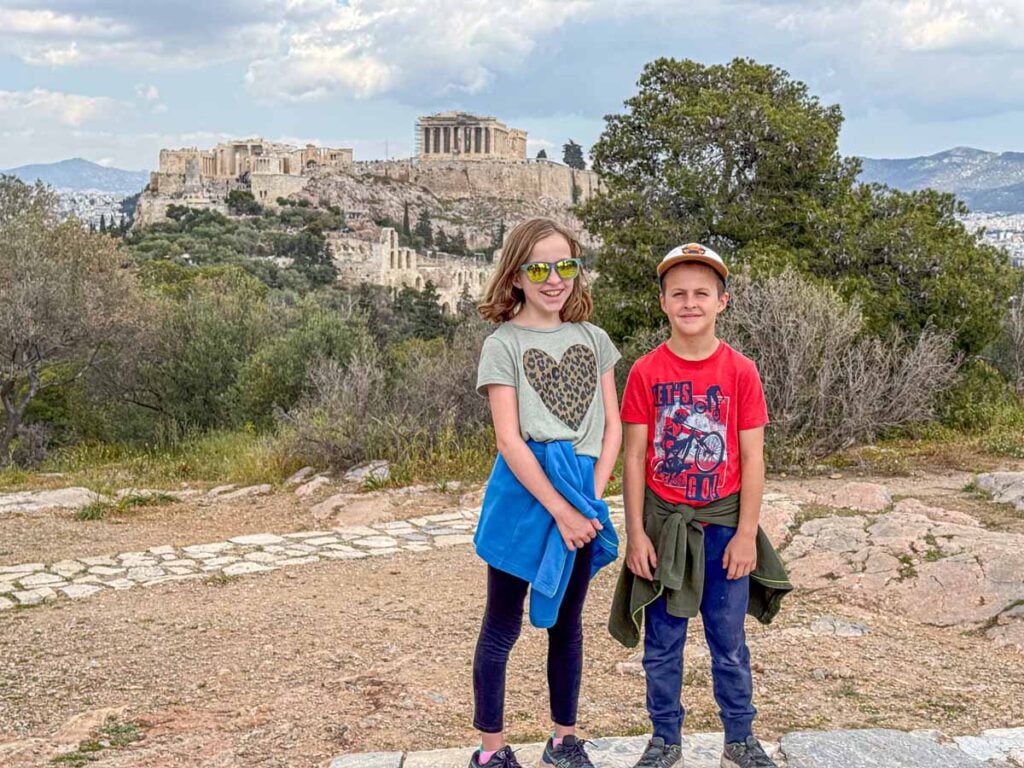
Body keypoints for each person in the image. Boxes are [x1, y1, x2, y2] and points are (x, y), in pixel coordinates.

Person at [608, 243, 793, 768]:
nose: (691, 303)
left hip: (722, 528)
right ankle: (665, 738)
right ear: (664, 303)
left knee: (727, 641)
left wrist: (745, 534)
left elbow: (753, 459)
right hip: (666, 529)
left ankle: (740, 737)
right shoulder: (645, 371)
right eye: (679, 294)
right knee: (663, 642)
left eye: (702, 294)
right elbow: (636, 456)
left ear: (722, 302)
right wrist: (637, 534)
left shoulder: (741, 372)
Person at [470, 218, 622, 768]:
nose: (553, 278)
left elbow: (613, 428)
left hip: (581, 491)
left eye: (565, 265)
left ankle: (564, 739)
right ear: (516, 276)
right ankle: (490, 752)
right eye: (538, 267)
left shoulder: (595, 340)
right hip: (524, 495)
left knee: (567, 623)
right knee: (502, 626)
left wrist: (588, 501)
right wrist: (560, 509)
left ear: (577, 271)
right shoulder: (503, 344)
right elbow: (510, 440)